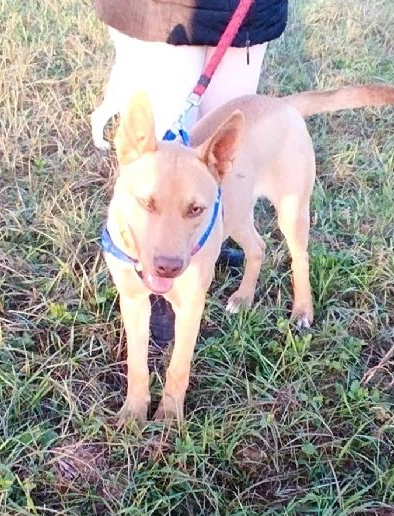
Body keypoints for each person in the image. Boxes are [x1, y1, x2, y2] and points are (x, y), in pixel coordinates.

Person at [93, 0, 289, 345]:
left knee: (215, 156)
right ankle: (161, 285)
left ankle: (201, 247)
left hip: (246, 12)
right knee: (163, 145)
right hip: (164, 10)